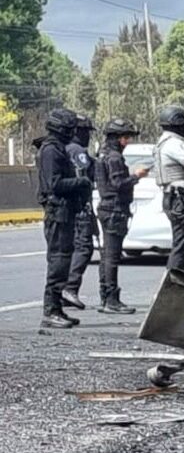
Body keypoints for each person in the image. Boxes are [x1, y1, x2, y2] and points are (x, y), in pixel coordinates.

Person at [36, 108, 93, 329]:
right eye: (70, 129)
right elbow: (54, 184)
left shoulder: (59, 148)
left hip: (65, 212)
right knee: (58, 262)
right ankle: (50, 311)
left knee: (64, 260)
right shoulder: (51, 150)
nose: (73, 133)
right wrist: (81, 182)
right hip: (57, 213)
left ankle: (57, 308)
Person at [95, 119, 149, 314]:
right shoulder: (114, 158)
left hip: (108, 208)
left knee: (107, 256)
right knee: (112, 256)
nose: (128, 141)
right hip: (114, 209)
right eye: (125, 137)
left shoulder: (103, 155)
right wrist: (136, 176)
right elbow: (118, 184)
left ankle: (106, 297)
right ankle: (111, 299)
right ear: (116, 138)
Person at [61, 115, 98, 311]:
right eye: (85, 132)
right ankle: (70, 287)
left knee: (69, 249)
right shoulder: (77, 151)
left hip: (68, 208)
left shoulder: (63, 148)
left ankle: (62, 289)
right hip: (80, 207)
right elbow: (84, 176)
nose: (88, 136)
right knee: (84, 247)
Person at [154, 105, 184, 270]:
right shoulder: (173, 143)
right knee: (182, 245)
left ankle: (175, 279)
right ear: (178, 124)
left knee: (182, 243)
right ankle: (173, 281)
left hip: (175, 197)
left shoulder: (163, 142)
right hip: (181, 198)